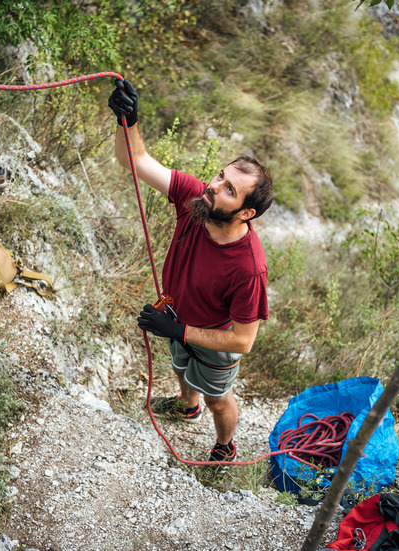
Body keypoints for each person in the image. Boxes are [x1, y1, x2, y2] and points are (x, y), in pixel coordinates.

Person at [109, 79, 274, 467]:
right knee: (181, 368)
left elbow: (243, 341)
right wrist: (127, 121)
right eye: (220, 176)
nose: (214, 186)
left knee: (219, 399)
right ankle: (187, 406)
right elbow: (135, 161)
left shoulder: (248, 267)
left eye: (229, 190)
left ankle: (224, 446)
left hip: (212, 340)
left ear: (246, 212)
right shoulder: (195, 198)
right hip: (176, 317)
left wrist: (178, 331)